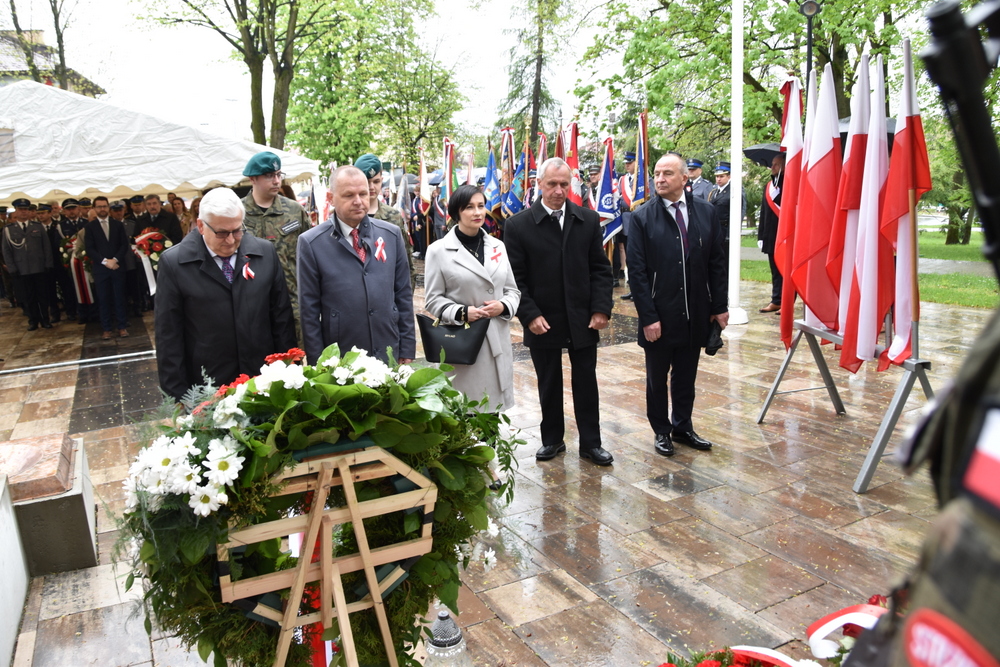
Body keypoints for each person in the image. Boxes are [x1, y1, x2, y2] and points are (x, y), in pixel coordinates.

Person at [504, 157, 615, 466]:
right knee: (548, 381)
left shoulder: (588, 220)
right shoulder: (518, 225)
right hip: (543, 317)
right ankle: (552, 439)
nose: (558, 190)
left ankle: (591, 444)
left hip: (582, 317)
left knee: (586, 382)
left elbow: (600, 270)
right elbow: (514, 278)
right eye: (552, 184)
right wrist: (529, 314)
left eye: (564, 184)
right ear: (538, 184)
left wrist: (601, 308)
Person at [627, 153, 728, 457]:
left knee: (686, 375)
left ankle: (683, 426)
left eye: (668, 173)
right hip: (659, 314)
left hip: (695, 311)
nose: (660, 179)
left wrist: (719, 306)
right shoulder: (643, 216)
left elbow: (716, 262)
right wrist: (648, 317)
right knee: (657, 378)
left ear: (685, 179)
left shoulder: (706, 212)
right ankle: (661, 430)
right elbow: (638, 272)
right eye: (657, 174)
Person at [155, 187, 296, 402]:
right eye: (221, 233)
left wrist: (287, 373)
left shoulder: (264, 253)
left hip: (261, 381)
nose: (230, 240)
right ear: (201, 226)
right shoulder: (175, 264)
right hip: (208, 387)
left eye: (237, 231)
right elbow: (169, 338)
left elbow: (281, 321)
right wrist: (178, 398)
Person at [298, 165, 415, 365]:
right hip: (341, 358)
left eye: (363, 193)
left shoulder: (391, 235)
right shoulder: (311, 243)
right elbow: (309, 312)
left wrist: (407, 346)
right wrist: (319, 362)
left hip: (387, 350)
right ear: (330, 197)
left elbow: (403, 295)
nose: (359, 201)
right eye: (349, 195)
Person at [424, 185, 521, 410]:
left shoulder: (498, 246)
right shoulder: (438, 250)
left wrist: (503, 306)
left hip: (497, 339)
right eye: (469, 207)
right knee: (467, 412)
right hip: (464, 342)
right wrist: (462, 312)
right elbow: (433, 299)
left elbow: (513, 291)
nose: (477, 212)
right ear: (457, 213)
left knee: (493, 414)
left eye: (481, 206)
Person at [241, 151, 309, 333]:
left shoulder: (294, 210)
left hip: (292, 301)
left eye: (279, 175)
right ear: (252, 179)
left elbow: (311, 254)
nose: (276, 181)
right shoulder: (238, 213)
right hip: (252, 304)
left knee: (298, 357)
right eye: (269, 176)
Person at [354, 153, 415, 287]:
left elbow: (406, 263)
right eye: (367, 181)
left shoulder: (393, 216)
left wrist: (404, 302)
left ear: (382, 180)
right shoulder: (350, 216)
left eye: (376, 181)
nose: (371, 187)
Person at [2, 198, 53, 330]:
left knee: (42, 296)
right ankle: (33, 321)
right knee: (28, 297)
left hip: (39, 267)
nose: (24, 212)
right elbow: (6, 251)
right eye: (21, 210)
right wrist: (12, 268)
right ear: (16, 212)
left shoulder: (37, 227)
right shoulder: (8, 230)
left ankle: (45, 320)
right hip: (21, 269)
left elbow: (46, 247)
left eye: (26, 210)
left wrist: (48, 263)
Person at [85, 196, 130, 339]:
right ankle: (106, 329)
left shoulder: (117, 224)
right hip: (101, 269)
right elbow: (90, 249)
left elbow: (124, 245)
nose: (102, 209)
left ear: (108, 207)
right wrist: (105, 261)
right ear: (94, 208)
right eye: (99, 207)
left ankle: (122, 326)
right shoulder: (90, 227)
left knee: (119, 298)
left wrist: (115, 259)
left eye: (104, 206)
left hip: (117, 267)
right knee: (103, 299)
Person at [707, 161, 747, 279]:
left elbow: (739, 211)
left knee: (725, 265)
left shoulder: (734, 190)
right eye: (717, 176)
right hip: (714, 232)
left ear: (729, 176)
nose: (718, 179)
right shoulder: (714, 192)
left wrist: (732, 234)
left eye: (722, 176)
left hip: (726, 232)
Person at [757, 153, 785, 313]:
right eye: (772, 164)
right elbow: (764, 213)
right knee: (775, 270)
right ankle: (777, 300)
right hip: (770, 234)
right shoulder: (769, 186)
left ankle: (787, 301)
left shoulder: (790, 183)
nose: (772, 167)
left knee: (785, 270)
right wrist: (761, 235)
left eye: (776, 164)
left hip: (784, 234)